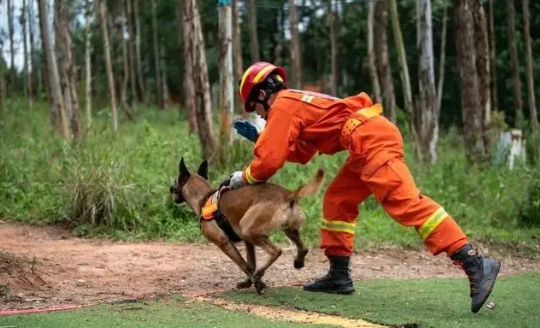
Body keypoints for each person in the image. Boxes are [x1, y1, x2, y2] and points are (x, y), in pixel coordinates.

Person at [226, 61, 500, 313]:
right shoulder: (293, 102)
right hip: (363, 140)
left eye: (255, 108)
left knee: (406, 203)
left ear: (262, 94)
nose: (258, 115)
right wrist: (263, 137)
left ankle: (474, 262)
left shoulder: (282, 105)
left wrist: (244, 176)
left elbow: (270, 162)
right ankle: (339, 276)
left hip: (371, 140)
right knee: (338, 200)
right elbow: (303, 152)